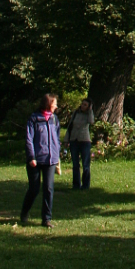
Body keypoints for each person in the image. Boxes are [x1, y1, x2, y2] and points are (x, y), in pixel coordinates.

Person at [21, 93, 61, 228]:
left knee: (49, 189)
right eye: (54, 103)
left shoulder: (54, 119)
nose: (56, 106)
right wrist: (31, 157)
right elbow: (29, 139)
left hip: (50, 159)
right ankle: (24, 212)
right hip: (36, 160)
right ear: (48, 103)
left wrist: (57, 153)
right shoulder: (34, 119)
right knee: (34, 189)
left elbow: (57, 137)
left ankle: (46, 219)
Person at [63, 98, 95, 190]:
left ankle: (85, 185)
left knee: (85, 164)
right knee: (75, 164)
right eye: (82, 104)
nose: (83, 106)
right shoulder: (76, 113)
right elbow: (70, 126)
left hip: (84, 141)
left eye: (85, 105)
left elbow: (91, 121)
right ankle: (76, 185)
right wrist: (66, 139)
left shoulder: (88, 115)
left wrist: (90, 111)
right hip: (74, 140)